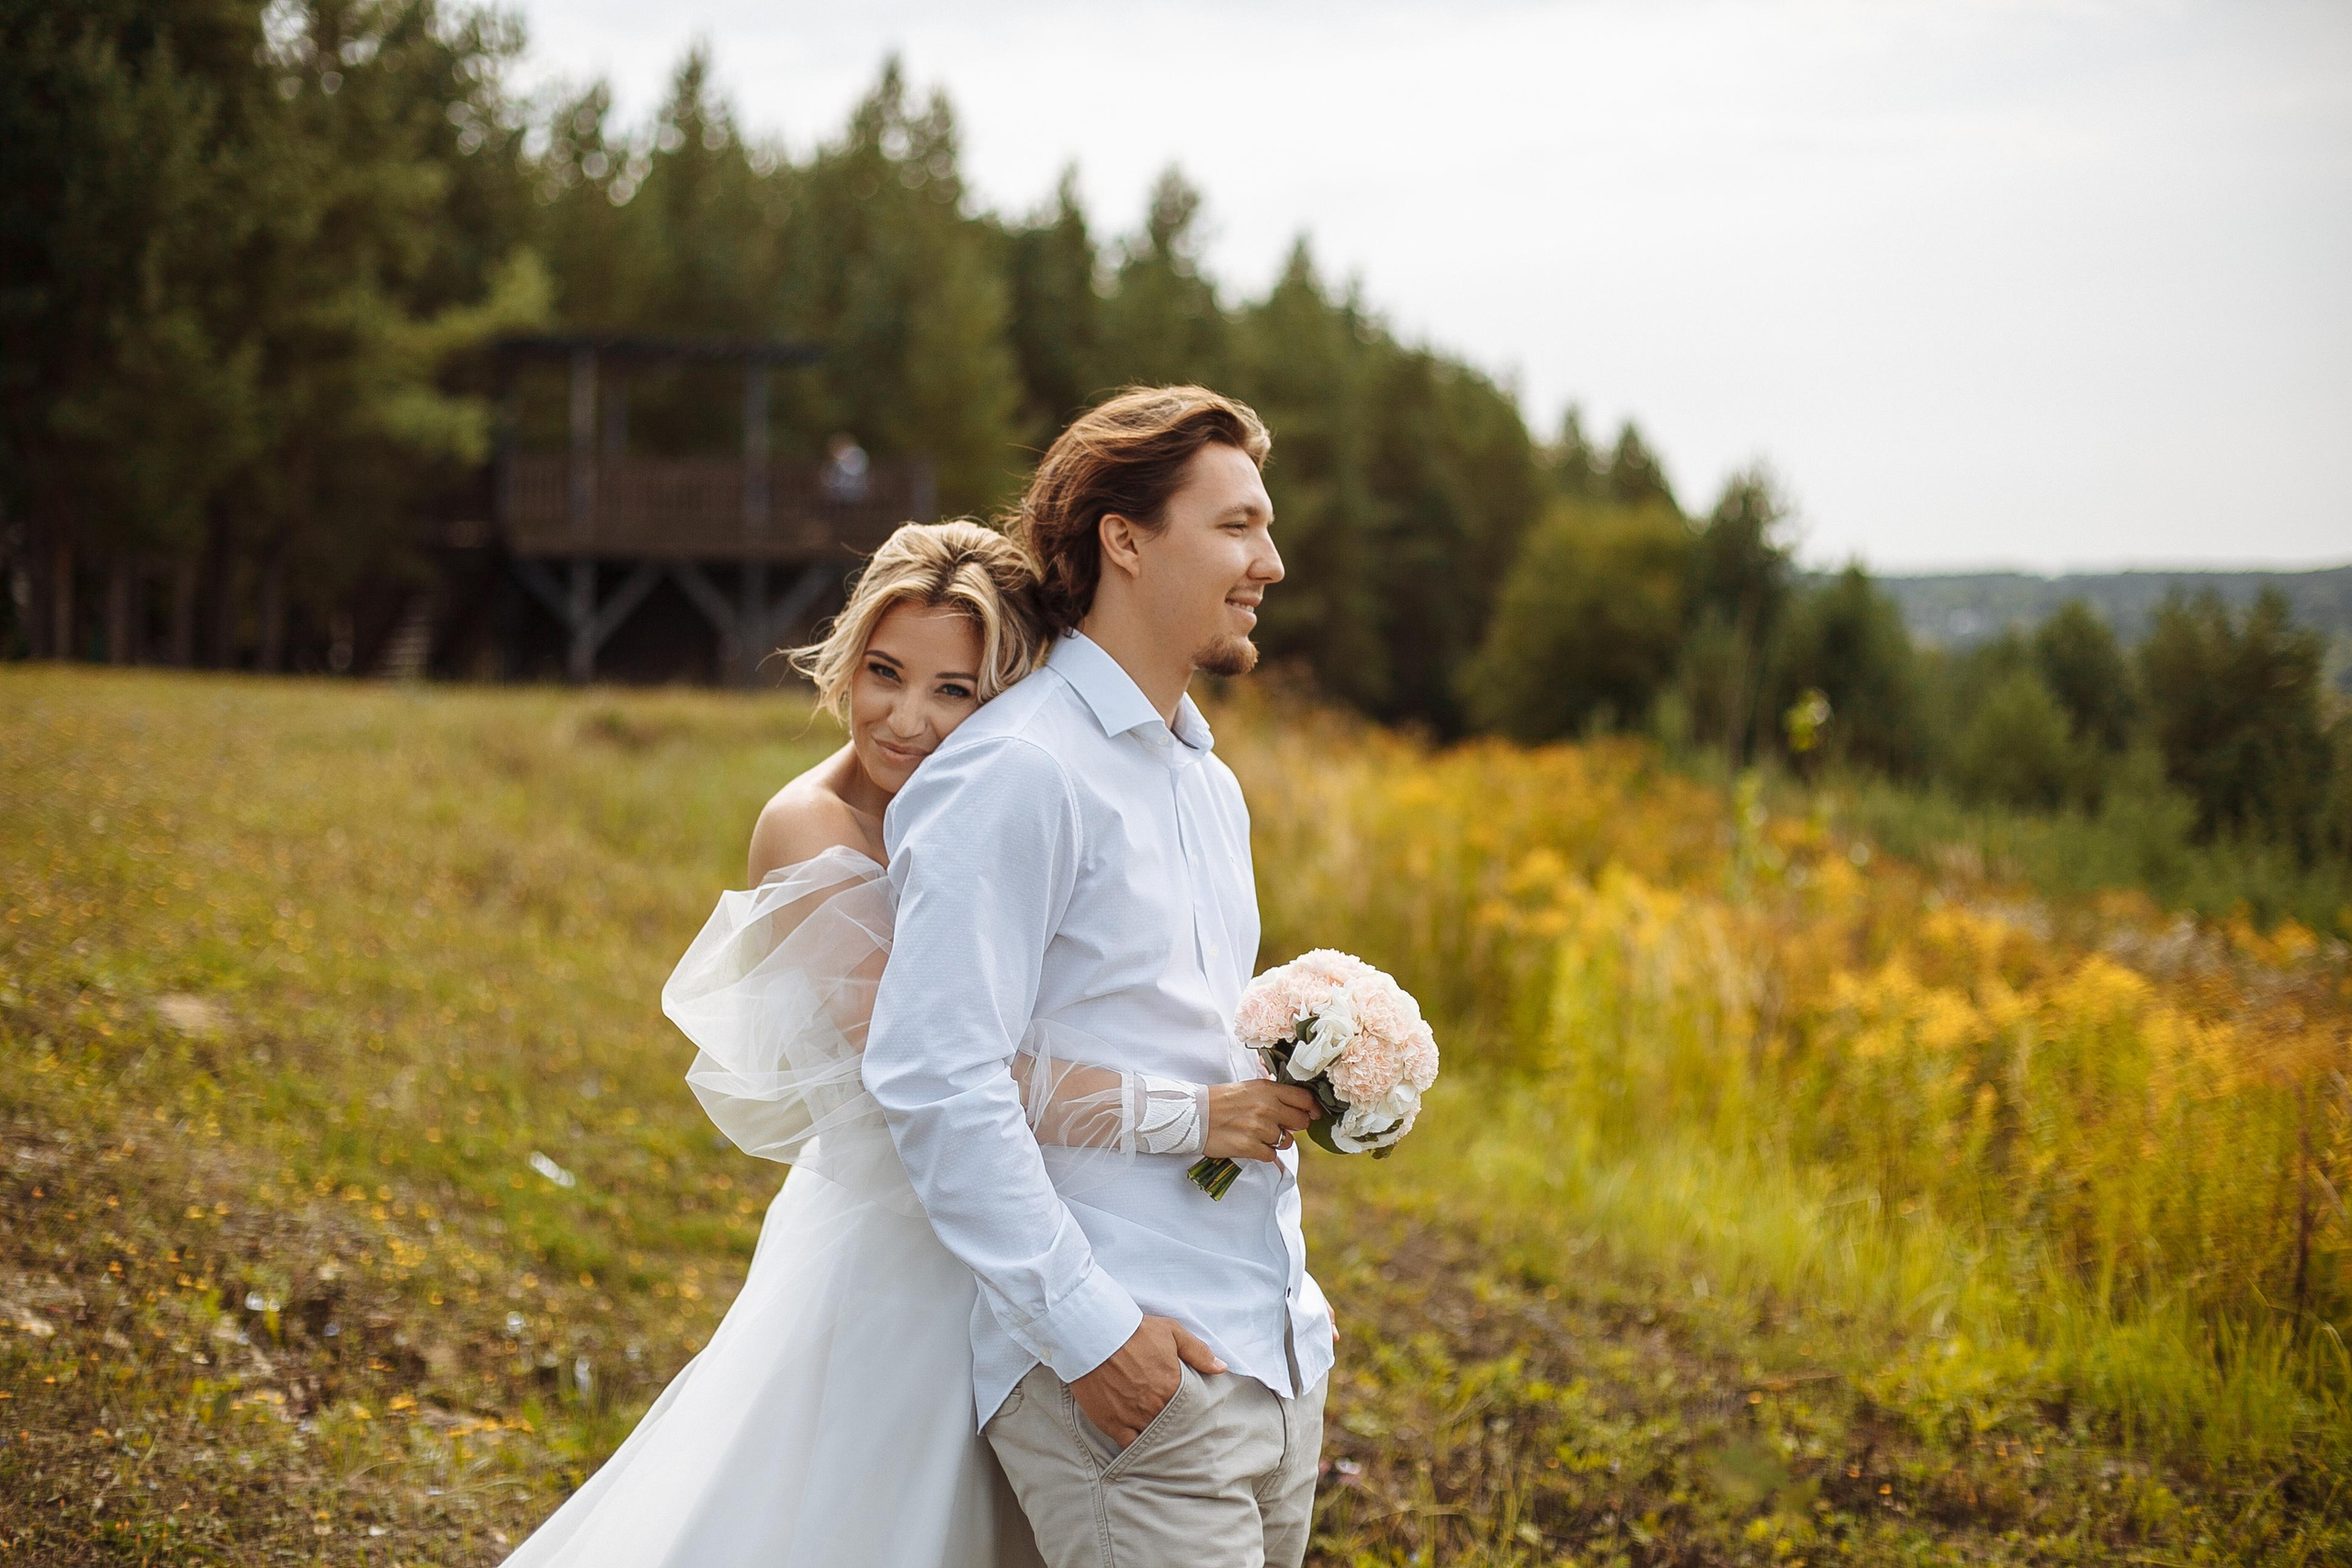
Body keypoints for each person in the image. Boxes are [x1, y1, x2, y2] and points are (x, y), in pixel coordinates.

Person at [498, 519, 1317, 1568]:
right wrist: (1189, 1116)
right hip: (909, 1250)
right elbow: (928, 1073)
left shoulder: (1016, 793)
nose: (905, 720)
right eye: (884, 673)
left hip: (1031, 1217)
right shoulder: (814, 826)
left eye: (954, 692)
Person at [866, 387, 1334, 1568]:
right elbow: (935, 1079)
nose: (1268, 563)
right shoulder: (1019, 772)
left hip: (1268, 1357)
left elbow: (1161, 1041)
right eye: (1235, 527)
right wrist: (1093, 1336)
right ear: (1124, 539)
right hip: (1133, 1371)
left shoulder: (1204, 785)